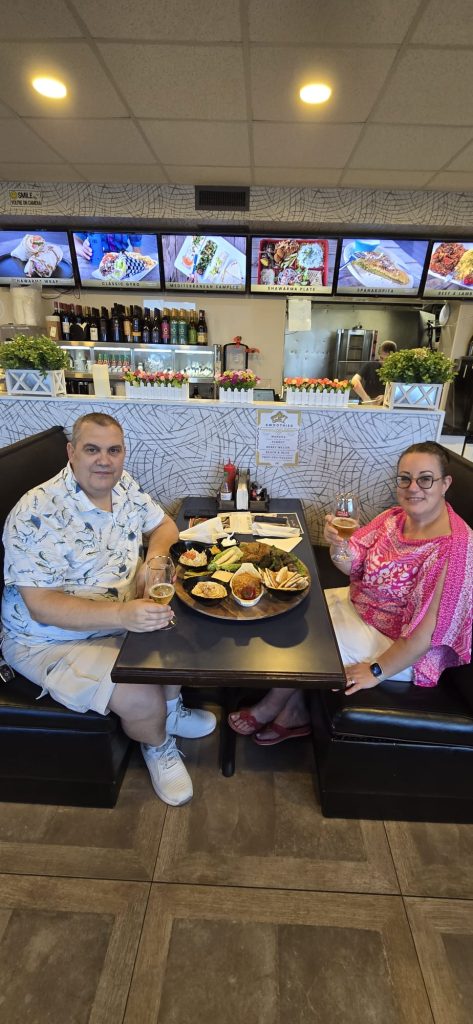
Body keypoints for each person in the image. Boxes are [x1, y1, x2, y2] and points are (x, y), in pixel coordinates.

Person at [1, 413, 216, 806]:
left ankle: (170, 709)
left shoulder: (125, 485)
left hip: (119, 611)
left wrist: (152, 565)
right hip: (49, 638)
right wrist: (122, 616)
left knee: (178, 639)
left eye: (113, 450)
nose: (105, 460)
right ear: (71, 452)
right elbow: (42, 606)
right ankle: (159, 744)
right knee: (139, 696)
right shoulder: (36, 512)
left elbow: (165, 526)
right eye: (92, 449)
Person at [228, 442, 473, 745]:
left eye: (425, 479)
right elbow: (351, 564)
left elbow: (423, 637)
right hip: (360, 608)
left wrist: (376, 670)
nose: (413, 488)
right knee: (295, 607)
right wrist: (338, 544)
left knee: (303, 640)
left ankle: (272, 705)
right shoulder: (395, 518)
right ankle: (294, 711)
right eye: (405, 478)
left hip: (399, 646)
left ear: (445, 483)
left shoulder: (453, 550)